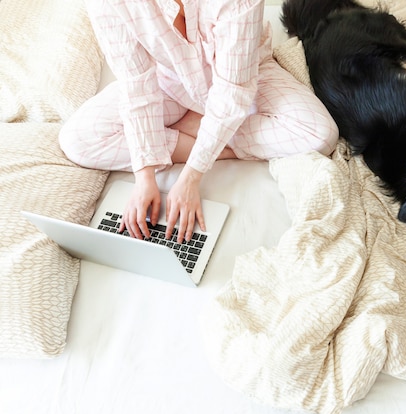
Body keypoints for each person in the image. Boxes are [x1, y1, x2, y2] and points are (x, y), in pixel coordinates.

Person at [59, 0, 338, 244]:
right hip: (168, 83)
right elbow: (136, 84)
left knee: (319, 134)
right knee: (78, 138)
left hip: (245, 77)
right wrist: (144, 176)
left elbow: (233, 91)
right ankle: (207, 132)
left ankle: (198, 126)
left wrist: (191, 175)